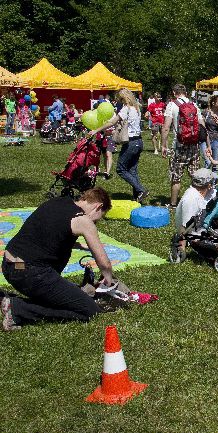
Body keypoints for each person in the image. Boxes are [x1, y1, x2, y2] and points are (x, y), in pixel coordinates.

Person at [0, 188, 114, 331]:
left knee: (64, 295)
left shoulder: (58, 202)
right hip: (30, 273)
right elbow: (104, 263)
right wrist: (108, 280)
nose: (95, 222)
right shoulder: (83, 220)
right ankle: (18, 309)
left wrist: (79, 245)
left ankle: (5, 298)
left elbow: (48, 233)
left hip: (12, 265)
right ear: (98, 206)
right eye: (98, 218)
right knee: (89, 309)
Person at [90, 88, 148, 202]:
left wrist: (96, 130)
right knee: (132, 170)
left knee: (120, 169)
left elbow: (112, 122)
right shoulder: (137, 109)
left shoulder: (126, 109)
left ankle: (141, 190)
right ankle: (137, 197)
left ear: (123, 98)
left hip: (131, 143)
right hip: (139, 142)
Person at [161, 84, 207, 209]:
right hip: (194, 145)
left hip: (179, 146)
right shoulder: (194, 105)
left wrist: (164, 145)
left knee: (176, 176)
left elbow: (165, 128)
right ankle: (198, 202)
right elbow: (202, 126)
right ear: (185, 92)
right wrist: (206, 144)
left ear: (174, 92)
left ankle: (173, 204)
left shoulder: (172, 105)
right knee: (195, 175)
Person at [170, 168, 217, 263]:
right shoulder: (191, 199)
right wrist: (181, 248)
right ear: (208, 185)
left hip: (205, 226)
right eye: (212, 183)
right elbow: (185, 227)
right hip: (195, 234)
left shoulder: (207, 192)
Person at [201, 95, 218, 171]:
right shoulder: (205, 113)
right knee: (208, 162)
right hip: (205, 140)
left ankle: (214, 182)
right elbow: (201, 125)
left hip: (216, 140)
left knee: (215, 164)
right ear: (213, 103)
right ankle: (203, 180)